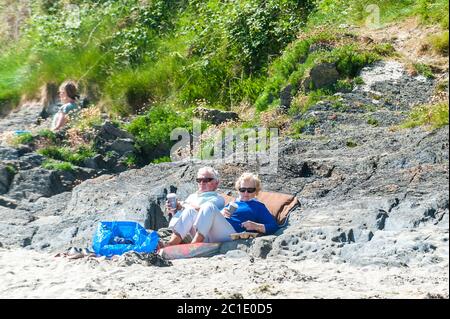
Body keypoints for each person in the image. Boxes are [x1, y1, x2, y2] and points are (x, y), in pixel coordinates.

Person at [164, 171, 278, 246]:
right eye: (243, 190)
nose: (246, 193)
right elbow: (209, 217)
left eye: (250, 190)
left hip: (231, 234)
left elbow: (273, 226)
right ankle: (171, 243)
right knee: (189, 211)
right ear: (238, 190)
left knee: (208, 206)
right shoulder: (233, 203)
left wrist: (255, 226)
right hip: (211, 234)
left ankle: (194, 245)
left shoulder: (258, 206)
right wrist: (221, 213)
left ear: (256, 191)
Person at [164, 166, 227, 246]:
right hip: (185, 233)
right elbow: (183, 219)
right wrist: (174, 210)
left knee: (190, 211)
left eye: (206, 180)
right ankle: (171, 242)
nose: (202, 183)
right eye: (199, 180)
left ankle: (171, 244)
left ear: (216, 183)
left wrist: (183, 205)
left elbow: (203, 210)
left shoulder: (218, 198)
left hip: (207, 235)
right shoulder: (192, 197)